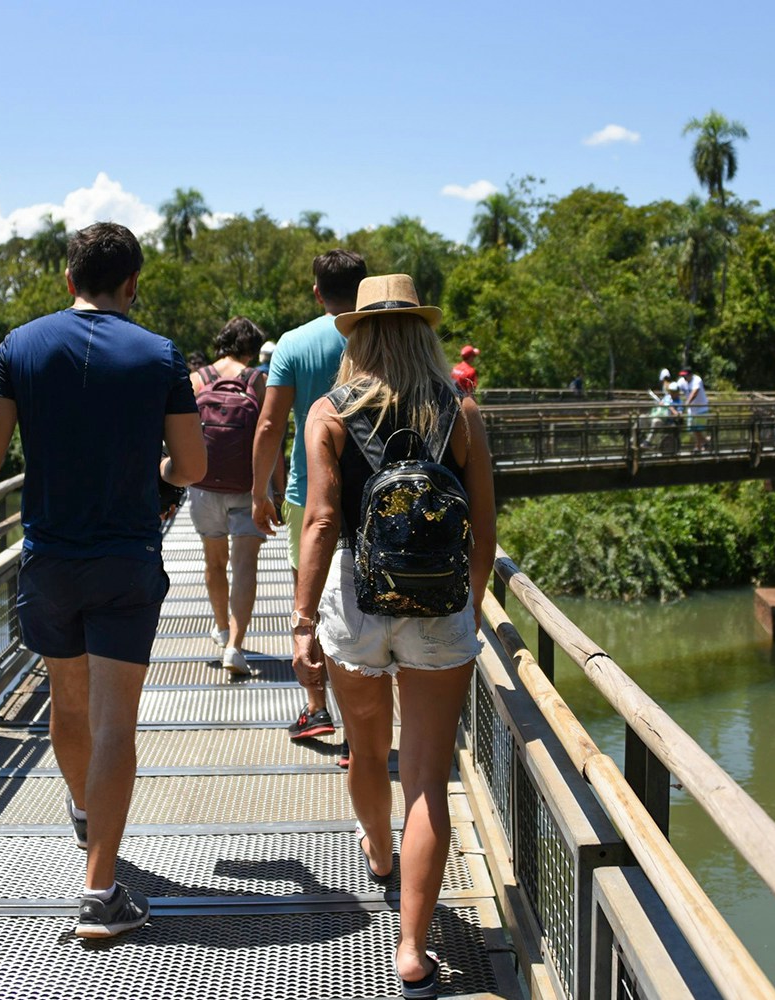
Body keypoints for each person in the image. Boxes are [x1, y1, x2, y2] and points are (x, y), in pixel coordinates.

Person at [0, 222, 207, 940]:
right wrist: (156, 474)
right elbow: (191, 468)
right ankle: (100, 891)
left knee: (68, 704)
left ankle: (88, 815)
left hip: (49, 562)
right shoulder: (159, 355)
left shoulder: (19, 347)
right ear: (132, 284)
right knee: (117, 722)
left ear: (68, 280)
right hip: (125, 560)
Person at [292, 274, 496, 996]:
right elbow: (484, 528)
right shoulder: (460, 409)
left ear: (360, 336)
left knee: (365, 750)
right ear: (423, 332)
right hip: (439, 609)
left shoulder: (329, 413)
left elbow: (319, 523)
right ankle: (412, 950)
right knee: (427, 784)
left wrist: (303, 618)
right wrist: (463, 611)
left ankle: (378, 852)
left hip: (356, 599)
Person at [250, 249, 368, 751]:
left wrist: (260, 491)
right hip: (371, 491)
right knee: (365, 598)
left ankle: (318, 709)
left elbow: (272, 424)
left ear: (316, 291)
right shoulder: (379, 336)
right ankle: (362, 726)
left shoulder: (295, 343)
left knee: (313, 601)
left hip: (306, 492)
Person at [189, 316, 271, 676]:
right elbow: (269, 433)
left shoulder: (197, 379)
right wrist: (272, 490)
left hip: (204, 485)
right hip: (247, 486)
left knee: (214, 561)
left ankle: (222, 630)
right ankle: (235, 648)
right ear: (252, 349)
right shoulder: (258, 380)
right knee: (245, 566)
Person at [674, 368, 710, 452]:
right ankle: (706, 441)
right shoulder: (681, 381)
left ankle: (698, 447)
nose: (684, 378)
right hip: (692, 409)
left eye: (685, 376)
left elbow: (694, 393)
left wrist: (686, 403)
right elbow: (675, 389)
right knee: (692, 429)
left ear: (690, 375)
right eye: (683, 376)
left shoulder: (697, 380)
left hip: (701, 408)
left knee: (698, 429)